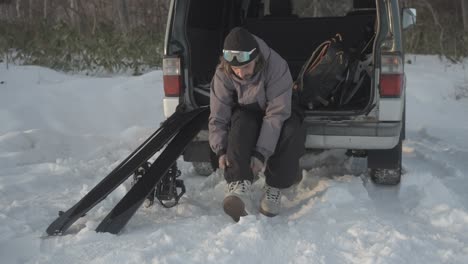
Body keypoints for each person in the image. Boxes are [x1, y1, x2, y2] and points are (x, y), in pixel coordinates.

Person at [208, 27, 305, 222]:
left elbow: (276, 114)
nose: (241, 73)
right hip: (248, 109)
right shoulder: (223, 72)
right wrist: (220, 149)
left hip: (277, 109)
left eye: (246, 67)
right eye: (235, 69)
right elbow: (218, 114)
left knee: (291, 130)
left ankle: (273, 188)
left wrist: (260, 153)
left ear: (257, 59)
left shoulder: (276, 65)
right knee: (240, 123)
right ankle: (238, 186)